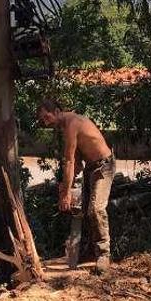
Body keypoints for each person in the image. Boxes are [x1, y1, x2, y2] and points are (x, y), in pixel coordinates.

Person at [36, 99, 115, 274]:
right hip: (91, 167)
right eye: (43, 120)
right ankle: (89, 252)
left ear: (56, 111)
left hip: (104, 166)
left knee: (96, 209)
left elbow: (70, 161)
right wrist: (65, 186)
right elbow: (77, 163)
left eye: (47, 117)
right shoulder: (66, 127)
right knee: (85, 210)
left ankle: (104, 255)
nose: (46, 122)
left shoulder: (73, 123)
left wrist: (65, 194)